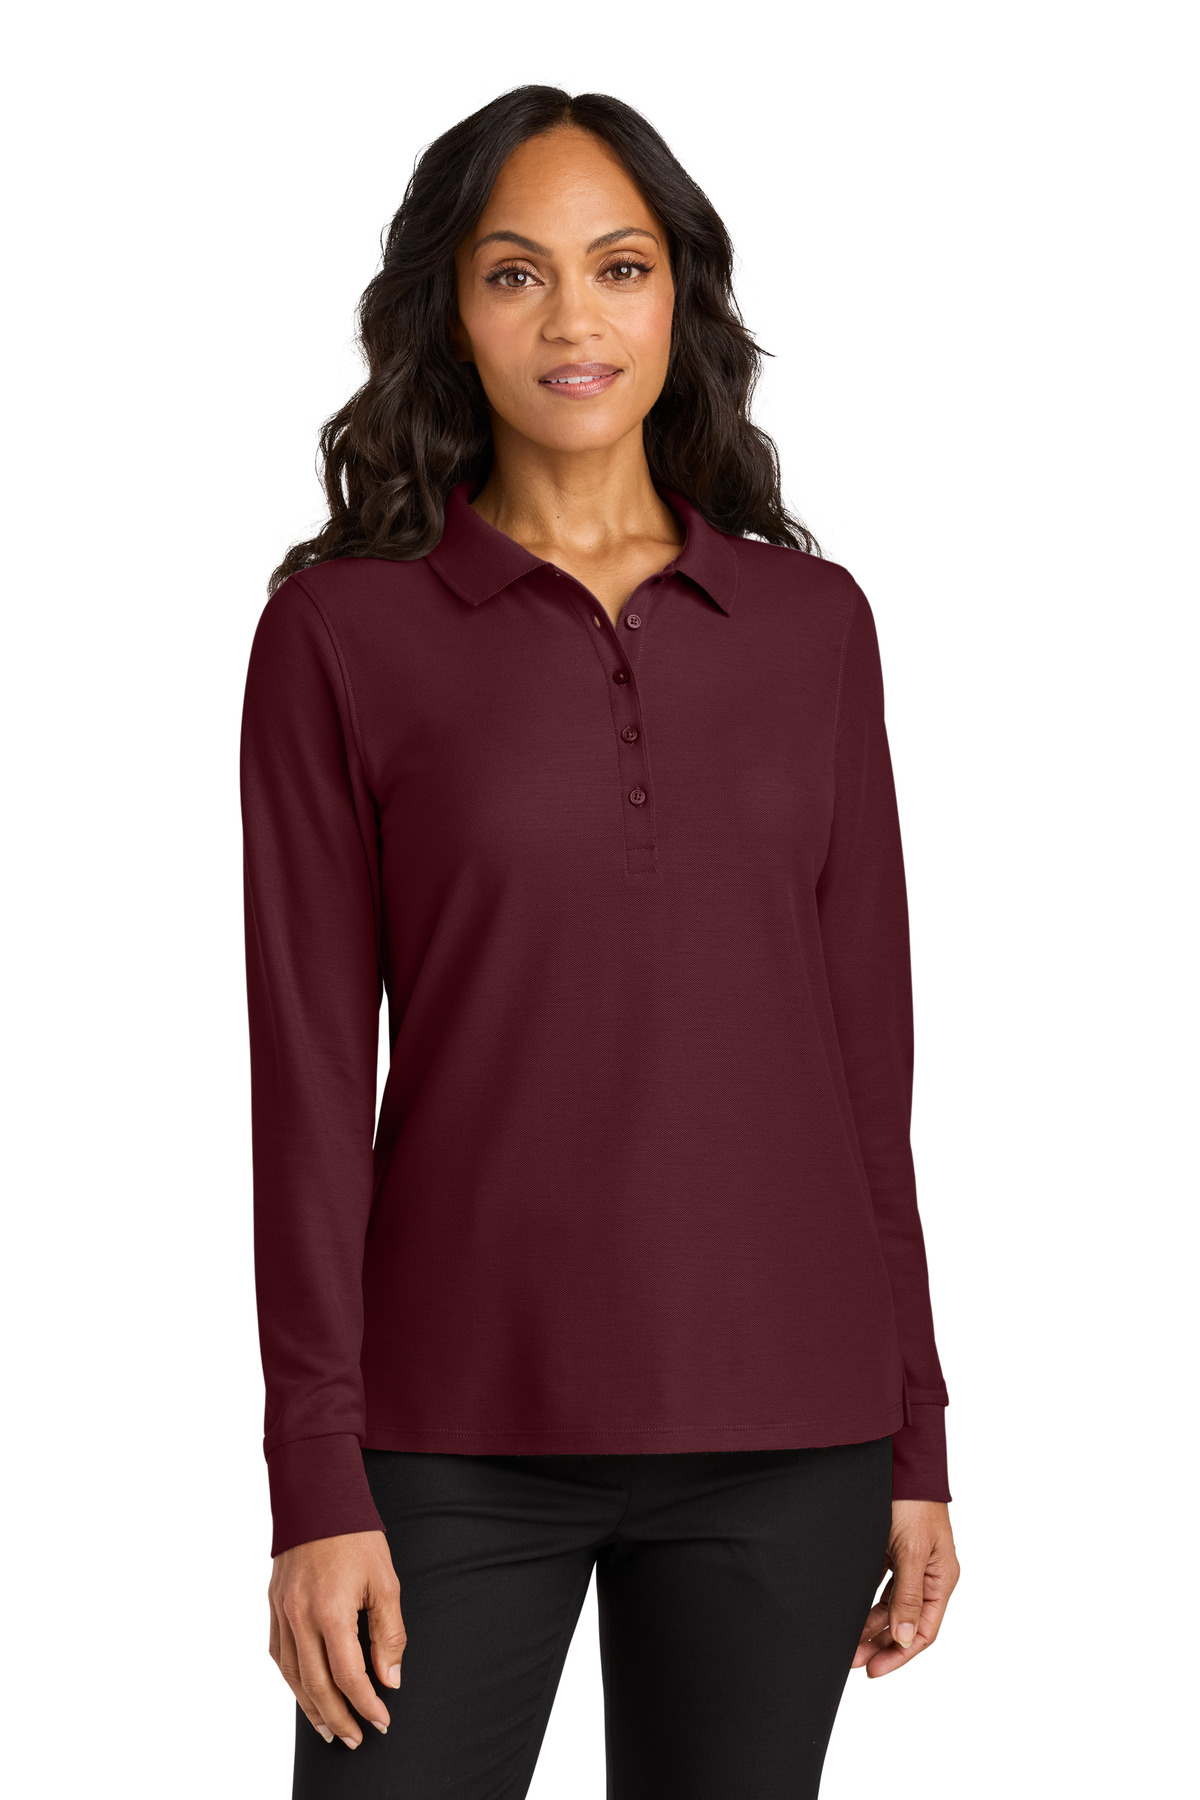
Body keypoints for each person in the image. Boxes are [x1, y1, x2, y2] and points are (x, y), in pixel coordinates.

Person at [239, 84, 959, 1800]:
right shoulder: (340, 633)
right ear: (446, 312)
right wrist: (315, 1475)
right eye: (517, 274)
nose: (575, 320)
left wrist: (917, 1432)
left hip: (791, 1431)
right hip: (450, 1435)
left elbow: (867, 1073)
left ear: (679, 298)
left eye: (620, 267)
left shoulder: (812, 626)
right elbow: (309, 1086)